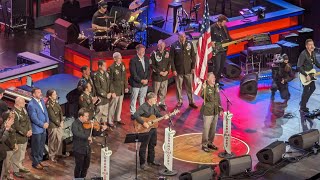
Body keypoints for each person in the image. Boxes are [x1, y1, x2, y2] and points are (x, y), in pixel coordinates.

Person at [133, 92, 168, 170]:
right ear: (149, 100)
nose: (156, 100)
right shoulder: (143, 107)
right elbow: (135, 115)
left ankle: (151, 160)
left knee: (152, 144)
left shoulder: (154, 106)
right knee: (143, 146)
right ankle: (142, 163)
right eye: (154, 99)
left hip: (153, 128)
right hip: (145, 129)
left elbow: (158, 114)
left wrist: (163, 116)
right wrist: (143, 122)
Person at [72, 108, 108, 178]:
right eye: (86, 116)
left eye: (88, 116)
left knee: (86, 166)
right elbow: (77, 133)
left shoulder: (88, 124)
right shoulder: (75, 124)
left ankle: (83, 178)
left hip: (87, 149)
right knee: (79, 167)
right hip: (79, 149)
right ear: (81, 116)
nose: (88, 118)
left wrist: (102, 129)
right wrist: (87, 137)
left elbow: (94, 133)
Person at [170, 31, 197, 109]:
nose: (183, 38)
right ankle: (180, 101)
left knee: (189, 87)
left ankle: (191, 102)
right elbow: (171, 59)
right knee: (178, 87)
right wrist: (174, 70)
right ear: (178, 37)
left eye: (184, 36)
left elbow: (193, 56)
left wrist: (193, 67)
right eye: (181, 37)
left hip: (188, 70)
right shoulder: (174, 45)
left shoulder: (190, 44)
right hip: (178, 70)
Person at [27, 87, 49, 170]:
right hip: (37, 129)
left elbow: (45, 112)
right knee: (36, 147)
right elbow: (34, 118)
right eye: (38, 92)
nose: (41, 93)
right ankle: (35, 163)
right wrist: (42, 124)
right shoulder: (31, 105)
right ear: (33, 94)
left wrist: (47, 122)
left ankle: (40, 161)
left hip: (44, 128)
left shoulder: (42, 101)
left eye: (40, 92)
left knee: (41, 146)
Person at [200, 73, 223, 152]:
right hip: (208, 111)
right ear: (208, 79)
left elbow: (218, 99)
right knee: (206, 129)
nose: (214, 78)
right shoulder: (206, 87)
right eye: (212, 77)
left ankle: (210, 142)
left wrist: (220, 109)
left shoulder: (216, 87)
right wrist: (203, 89)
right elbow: (203, 96)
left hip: (215, 111)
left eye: (214, 77)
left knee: (213, 129)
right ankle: (204, 144)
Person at [11, 97, 32, 178]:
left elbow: (28, 120)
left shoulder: (24, 110)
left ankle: (20, 166)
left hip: (25, 137)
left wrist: (30, 129)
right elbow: (16, 126)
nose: (25, 103)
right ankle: (15, 170)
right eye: (23, 102)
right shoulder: (14, 112)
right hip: (19, 137)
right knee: (17, 155)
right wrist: (25, 132)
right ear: (18, 103)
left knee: (22, 154)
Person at [297, 39, 320, 112]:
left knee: (313, 88)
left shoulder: (312, 52)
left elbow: (316, 62)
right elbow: (298, 66)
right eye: (310, 44)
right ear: (306, 46)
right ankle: (302, 108)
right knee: (306, 90)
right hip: (305, 75)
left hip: (311, 74)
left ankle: (303, 102)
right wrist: (305, 74)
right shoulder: (303, 54)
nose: (312, 46)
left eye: (312, 44)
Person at [129, 44, 150, 119]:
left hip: (145, 83)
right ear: (137, 51)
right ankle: (133, 113)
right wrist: (141, 80)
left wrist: (147, 79)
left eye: (144, 50)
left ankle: (142, 112)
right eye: (141, 50)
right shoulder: (133, 60)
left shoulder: (146, 59)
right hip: (136, 83)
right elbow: (133, 73)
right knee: (134, 98)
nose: (143, 51)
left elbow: (148, 70)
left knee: (142, 98)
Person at [108, 52, 128, 126]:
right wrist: (112, 91)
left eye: (121, 57)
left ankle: (117, 118)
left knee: (119, 105)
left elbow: (124, 76)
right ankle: (110, 120)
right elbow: (110, 81)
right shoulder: (112, 68)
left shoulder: (122, 65)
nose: (121, 59)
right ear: (115, 59)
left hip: (121, 89)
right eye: (119, 58)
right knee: (113, 106)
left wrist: (126, 86)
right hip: (115, 90)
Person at [210, 15, 231, 86]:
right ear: (219, 22)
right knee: (217, 67)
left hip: (224, 50)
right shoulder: (212, 28)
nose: (225, 24)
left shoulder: (225, 28)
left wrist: (237, 41)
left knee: (221, 66)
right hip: (217, 51)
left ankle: (217, 81)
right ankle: (212, 82)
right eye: (224, 22)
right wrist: (213, 45)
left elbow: (228, 38)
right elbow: (209, 39)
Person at [151, 39, 171, 111]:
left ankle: (162, 103)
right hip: (157, 76)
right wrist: (159, 72)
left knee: (163, 91)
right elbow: (152, 65)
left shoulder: (167, 53)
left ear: (165, 45)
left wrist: (167, 71)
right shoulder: (154, 53)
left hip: (165, 76)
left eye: (163, 45)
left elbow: (169, 63)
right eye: (160, 45)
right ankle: (154, 105)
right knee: (155, 92)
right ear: (157, 45)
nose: (161, 47)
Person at [46, 90, 64, 163]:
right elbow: (52, 116)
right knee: (52, 141)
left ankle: (58, 153)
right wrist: (59, 123)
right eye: (54, 94)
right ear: (50, 96)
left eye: (56, 94)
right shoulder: (48, 104)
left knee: (60, 139)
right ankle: (52, 155)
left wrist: (62, 120)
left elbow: (60, 112)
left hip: (59, 123)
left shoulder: (56, 102)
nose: (56, 95)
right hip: (53, 125)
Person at [94, 60, 112, 126]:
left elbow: (110, 84)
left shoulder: (106, 74)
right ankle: (96, 129)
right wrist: (105, 95)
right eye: (104, 66)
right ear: (99, 66)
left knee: (105, 114)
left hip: (107, 99)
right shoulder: (96, 75)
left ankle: (104, 127)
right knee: (98, 114)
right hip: (100, 98)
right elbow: (98, 88)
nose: (106, 67)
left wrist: (110, 92)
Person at [0, 111, 18, 180]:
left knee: (8, 164)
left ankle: (6, 176)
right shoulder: (4, 128)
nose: (13, 120)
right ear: (7, 119)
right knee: (5, 166)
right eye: (12, 119)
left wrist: (15, 143)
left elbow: (13, 136)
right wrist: (13, 146)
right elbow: (6, 139)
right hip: (7, 149)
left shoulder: (10, 127)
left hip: (10, 148)